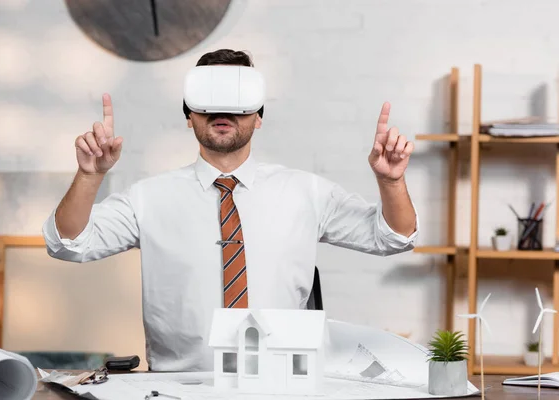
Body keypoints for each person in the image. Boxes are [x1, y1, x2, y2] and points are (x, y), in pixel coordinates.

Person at [42, 49, 419, 372]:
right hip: (178, 388)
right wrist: (89, 175)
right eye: (209, 98)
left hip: (282, 386)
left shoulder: (306, 192)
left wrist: (390, 182)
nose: (223, 110)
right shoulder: (148, 198)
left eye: (237, 98)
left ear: (258, 116)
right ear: (189, 114)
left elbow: (394, 237)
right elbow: (68, 244)